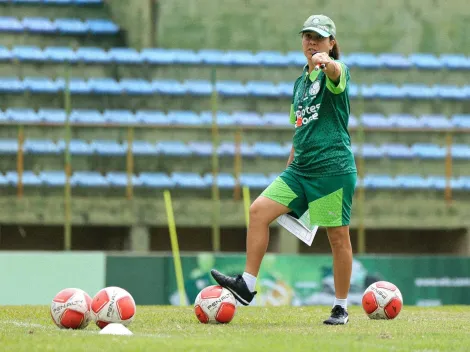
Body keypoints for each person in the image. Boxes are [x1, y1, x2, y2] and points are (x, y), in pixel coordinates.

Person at [211, 14, 357, 325]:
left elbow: (335, 71)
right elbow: (299, 125)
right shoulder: (299, 83)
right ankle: (247, 286)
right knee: (258, 211)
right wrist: (290, 162)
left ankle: (340, 307)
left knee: (337, 238)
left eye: (318, 37)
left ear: (332, 43)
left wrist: (324, 62)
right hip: (300, 169)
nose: (311, 42)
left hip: (331, 170)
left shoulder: (336, 71)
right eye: (307, 36)